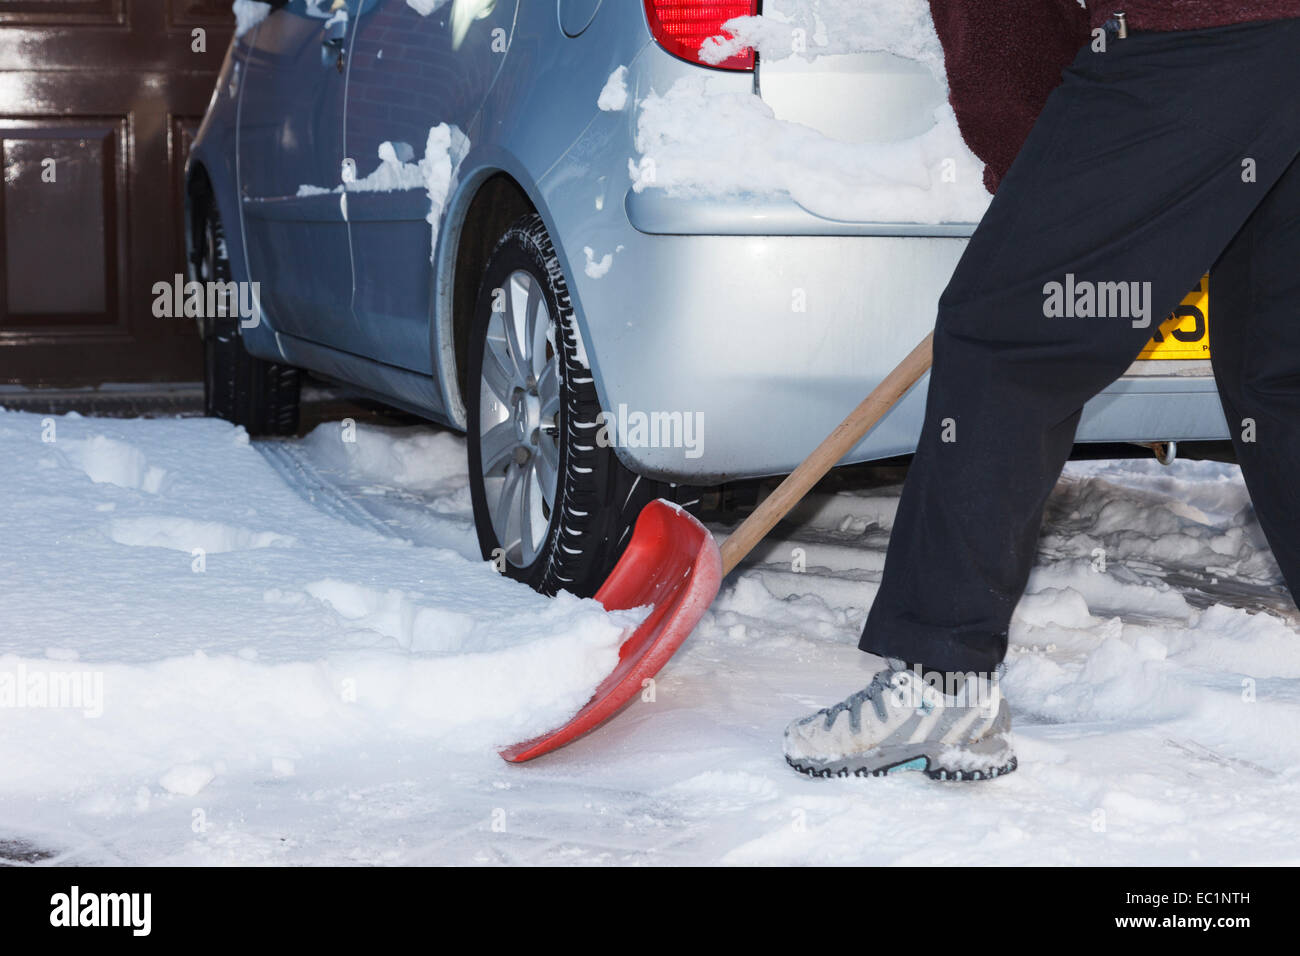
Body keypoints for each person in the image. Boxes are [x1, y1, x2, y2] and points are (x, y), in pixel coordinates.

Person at [784, 2, 1300, 780]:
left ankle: (941, 677)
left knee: (1005, 342)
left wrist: (1043, 185)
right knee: (1282, 372)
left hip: (1199, 35)